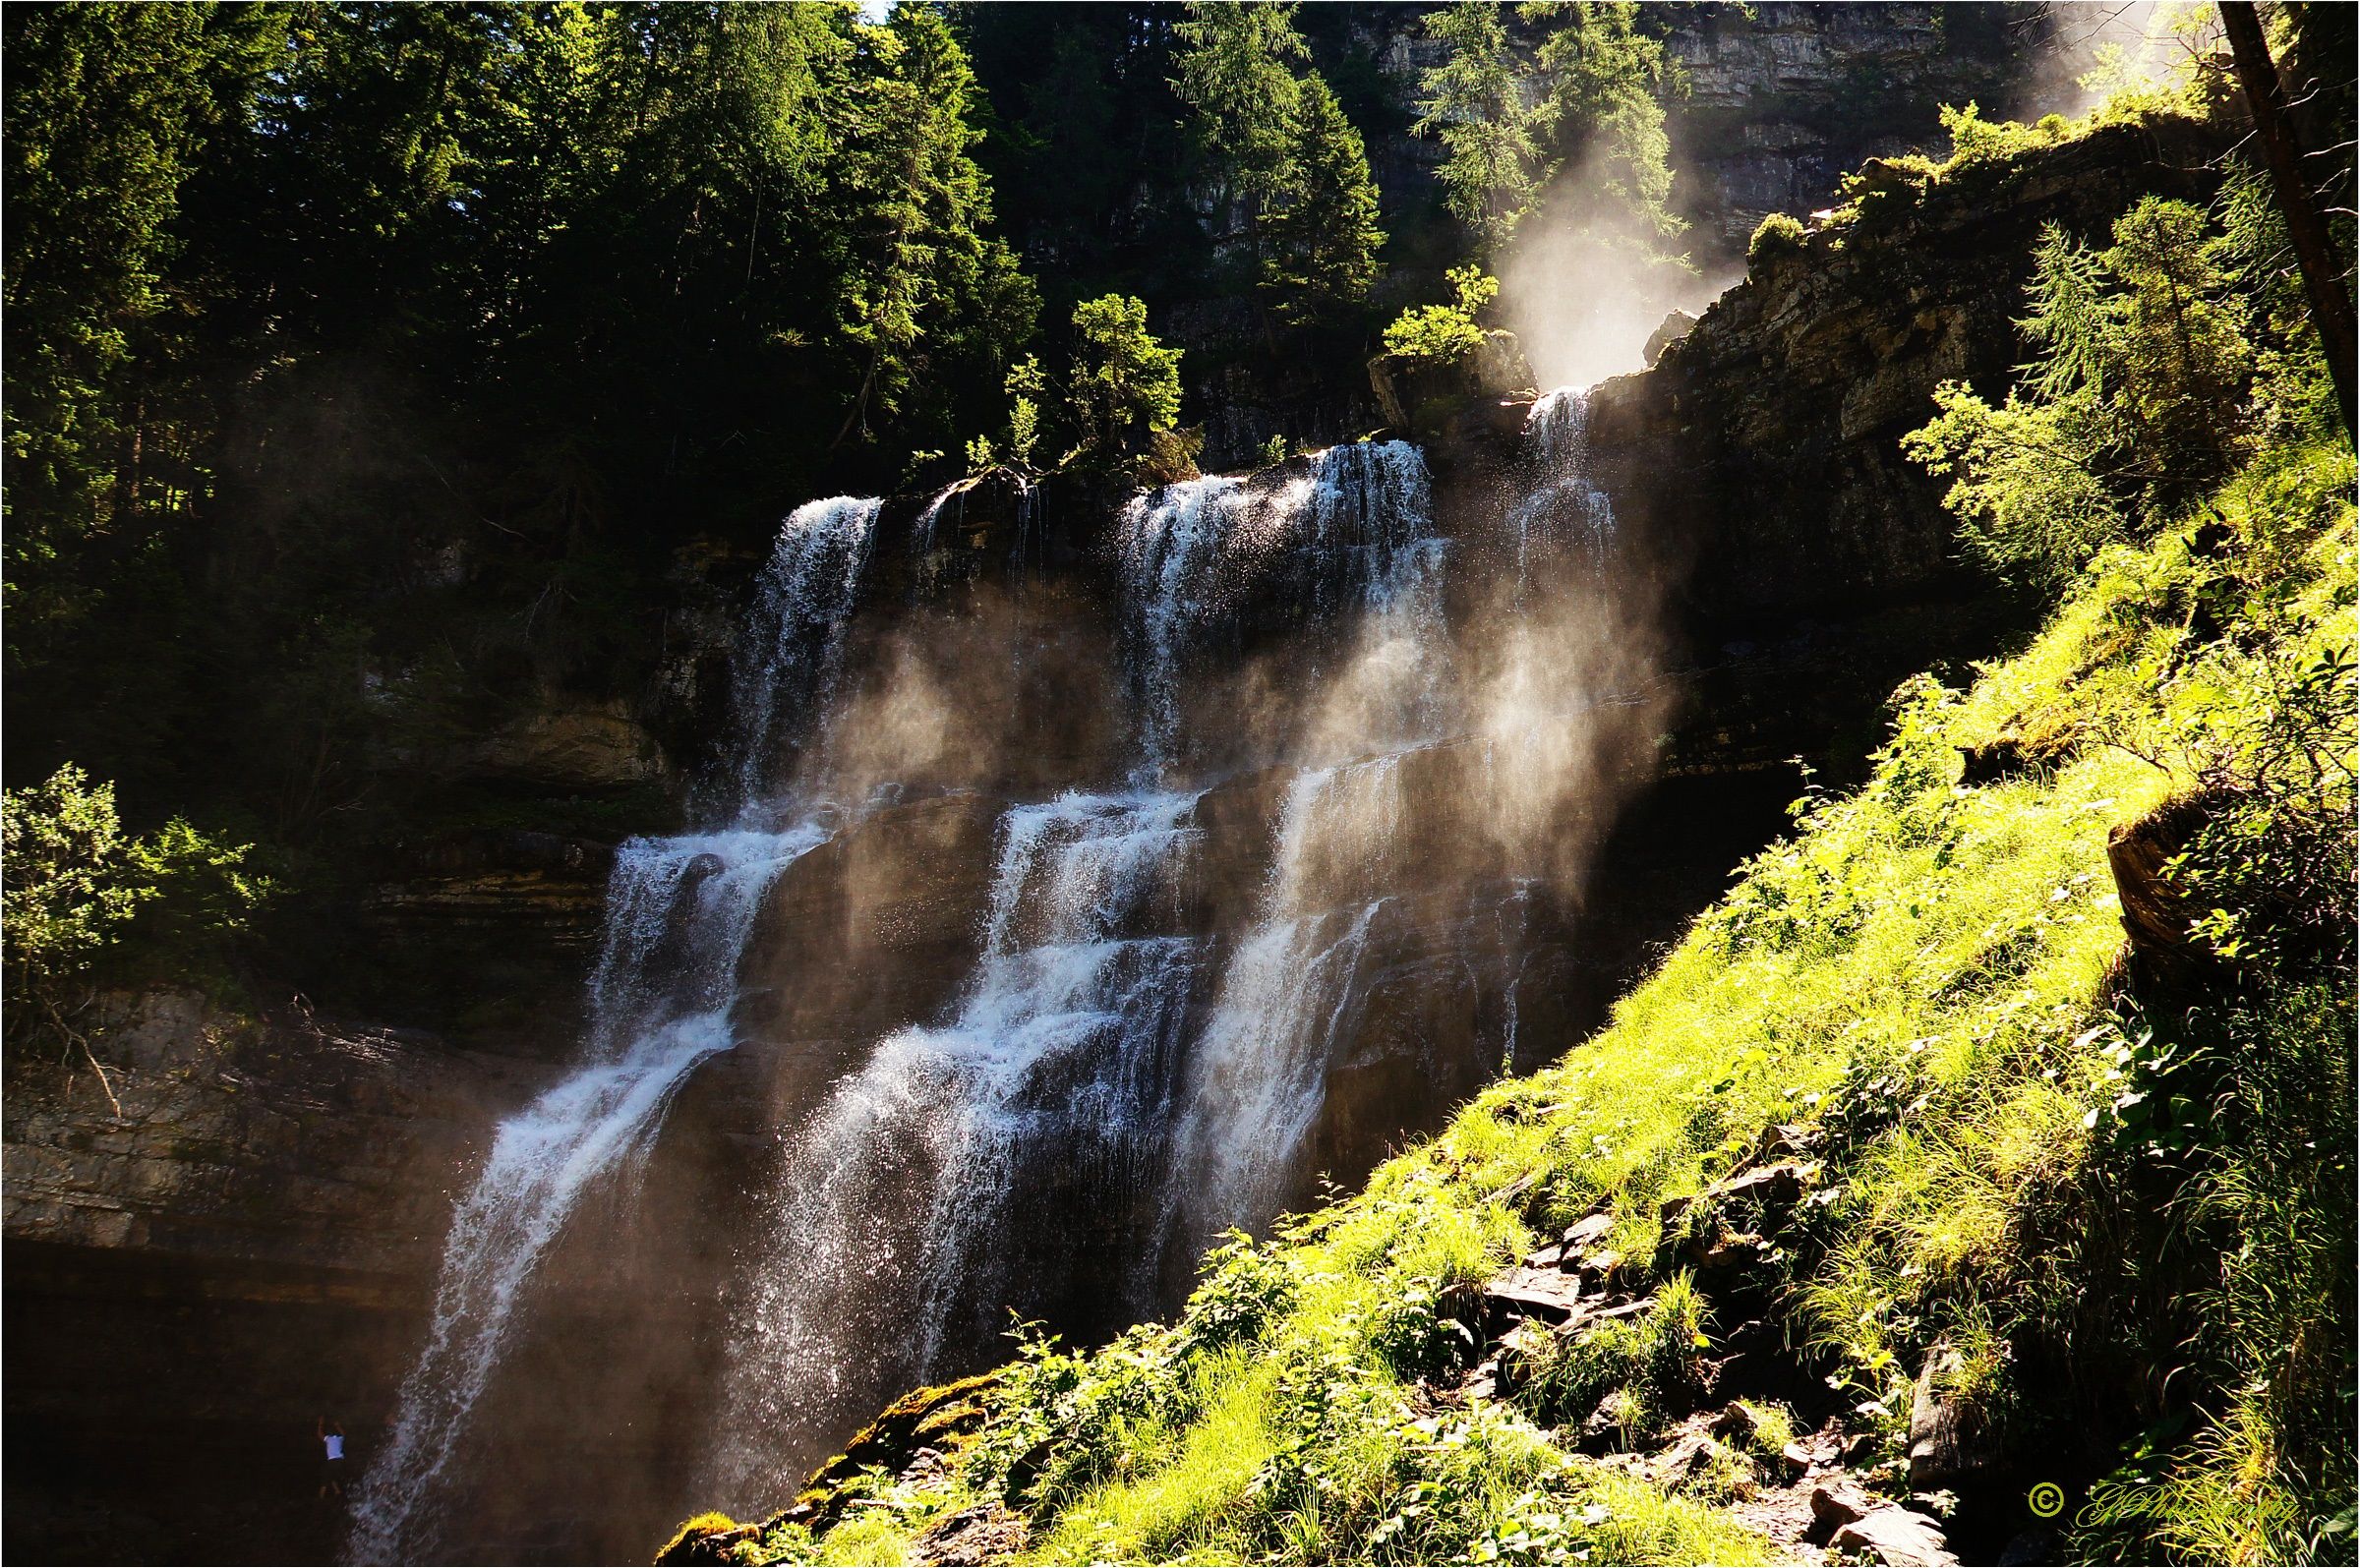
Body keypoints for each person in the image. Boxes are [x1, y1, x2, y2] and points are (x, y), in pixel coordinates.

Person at [318, 1417, 348, 1499]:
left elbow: (320, 1434)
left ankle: (321, 1498)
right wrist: (338, 1426)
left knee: (325, 1477)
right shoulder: (339, 1439)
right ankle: (337, 1490)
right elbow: (343, 1434)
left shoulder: (329, 1439)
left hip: (333, 1460)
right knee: (332, 1476)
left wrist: (320, 1423)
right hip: (340, 1461)